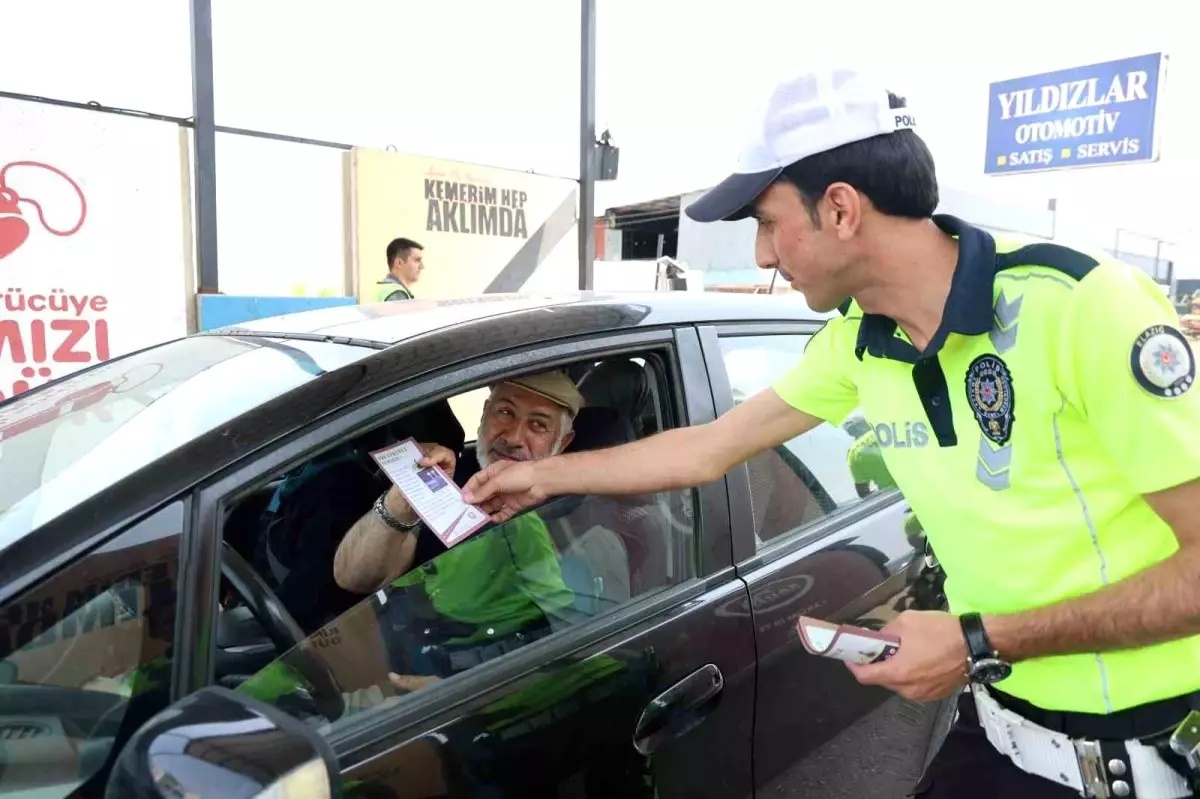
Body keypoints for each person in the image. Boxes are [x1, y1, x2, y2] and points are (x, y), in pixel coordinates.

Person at [462, 67, 1200, 799]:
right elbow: (709, 447)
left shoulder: (1081, 306)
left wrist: (979, 638)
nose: (761, 254)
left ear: (841, 209)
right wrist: (543, 476)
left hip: (1130, 754)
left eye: (766, 221)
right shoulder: (857, 342)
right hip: (995, 723)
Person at [333, 370, 584, 690]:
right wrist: (406, 495)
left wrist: (472, 692)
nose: (514, 436)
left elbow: (574, 645)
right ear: (483, 416)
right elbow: (355, 577)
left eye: (538, 424)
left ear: (563, 443)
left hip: (487, 695)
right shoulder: (449, 479)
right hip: (405, 668)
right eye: (505, 412)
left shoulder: (571, 507)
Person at [374, 237, 425, 301]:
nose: (422, 266)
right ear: (399, 263)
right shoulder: (397, 295)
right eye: (417, 260)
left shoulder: (383, 287)